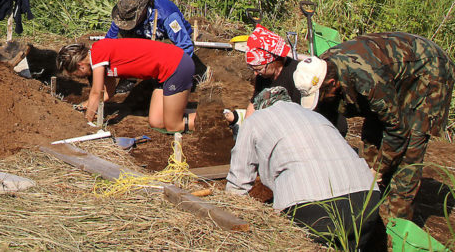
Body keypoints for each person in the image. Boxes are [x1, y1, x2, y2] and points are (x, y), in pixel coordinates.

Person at [293, 32, 455, 221]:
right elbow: (326, 115)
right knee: (372, 134)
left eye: (320, 95)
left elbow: (397, 130)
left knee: (410, 149)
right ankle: (372, 200)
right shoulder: (321, 67)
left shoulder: (368, 80)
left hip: (430, 71)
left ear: (332, 83)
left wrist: (379, 169)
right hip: (391, 71)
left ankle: (396, 221)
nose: (320, 101)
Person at [226, 87, 381, 250]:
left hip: (311, 205)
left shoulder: (254, 120)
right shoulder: (315, 116)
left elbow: (238, 184)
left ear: (260, 107)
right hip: (366, 197)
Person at [56, 38, 196, 133]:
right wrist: (83, 106)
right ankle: (180, 111)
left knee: (173, 125)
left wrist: (85, 124)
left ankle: (205, 123)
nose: (78, 77)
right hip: (163, 74)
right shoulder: (103, 61)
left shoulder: (98, 53)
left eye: (74, 74)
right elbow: (107, 93)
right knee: (157, 122)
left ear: (80, 66)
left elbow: (96, 93)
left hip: (176, 66)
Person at [105, 0, 194, 57]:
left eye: (131, 20)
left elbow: (185, 46)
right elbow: (108, 42)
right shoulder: (122, 16)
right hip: (144, 40)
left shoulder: (168, 16)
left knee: (168, 52)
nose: (126, 22)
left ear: (143, 11)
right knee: (121, 40)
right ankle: (130, 77)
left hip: (166, 42)